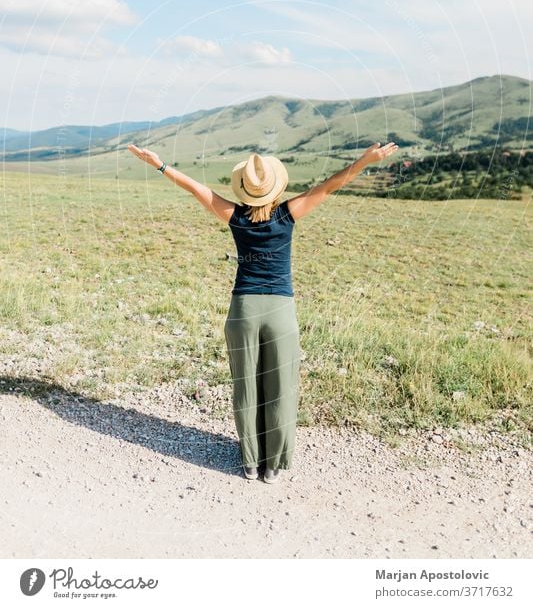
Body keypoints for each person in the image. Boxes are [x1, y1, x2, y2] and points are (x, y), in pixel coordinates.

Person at [127, 140, 399, 484]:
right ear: (275, 186)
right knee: (281, 387)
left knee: (246, 386)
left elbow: (195, 187)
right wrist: (366, 159)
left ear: (245, 189)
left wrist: (159, 164)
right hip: (280, 310)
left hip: (243, 308)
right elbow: (332, 183)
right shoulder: (289, 213)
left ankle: (250, 463)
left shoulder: (235, 216)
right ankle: (273, 466)